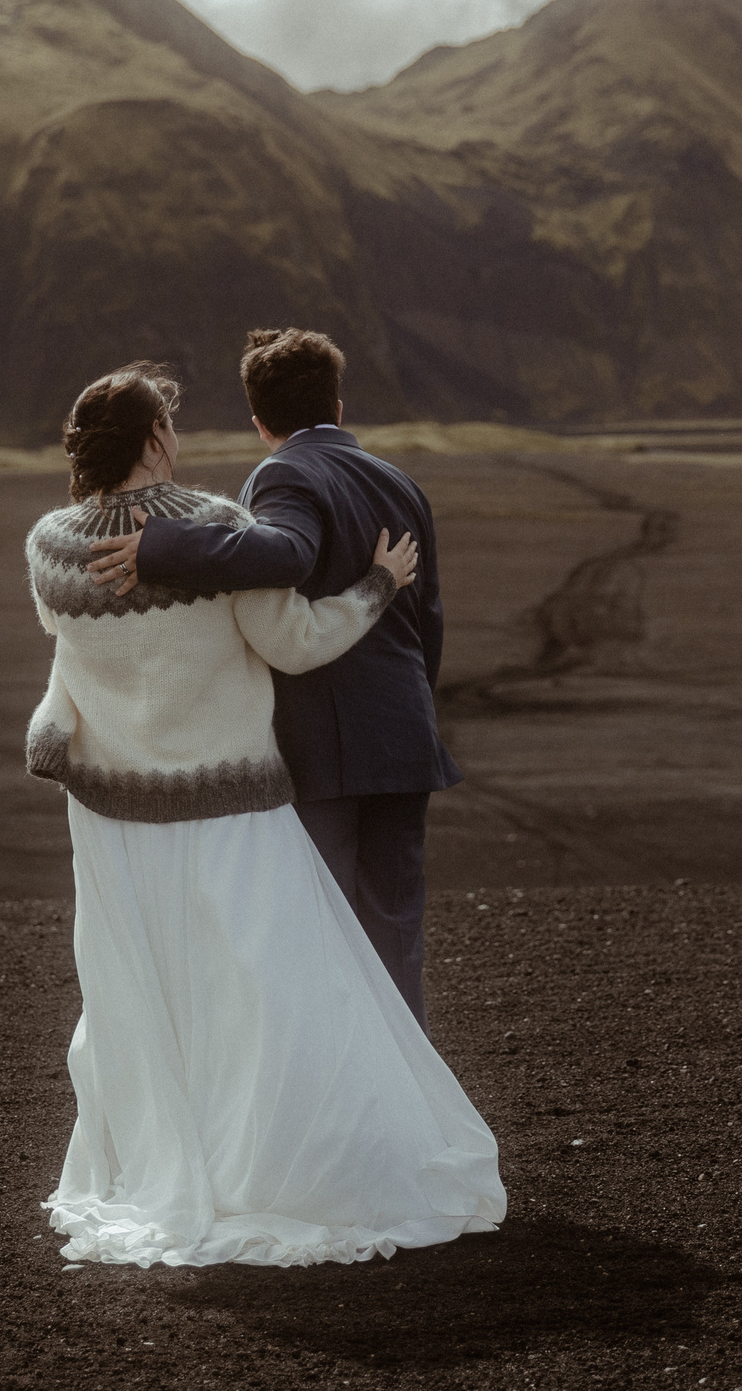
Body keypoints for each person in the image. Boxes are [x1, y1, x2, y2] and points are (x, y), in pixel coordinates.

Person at [26, 361, 504, 1268]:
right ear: (158, 440)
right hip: (228, 807)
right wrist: (375, 583)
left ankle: (165, 1165)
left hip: (112, 821)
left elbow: (80, 662)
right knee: (263, 995)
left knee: (147, 995)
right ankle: (276, 1169)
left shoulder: (50, 546)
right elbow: (294, 641)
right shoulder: (217, 528)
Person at [84, 327, 457, 1028]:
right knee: (395, 935)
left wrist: (162, 544)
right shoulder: (402, 483)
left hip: (323, 748)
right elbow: (427, 621)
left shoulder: (283, 474)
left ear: (259, 421)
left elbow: (283, 554)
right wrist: (413, 715)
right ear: (339, 407)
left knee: (317, 936)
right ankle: (413, 1114)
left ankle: (342, 1113)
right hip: (405, 740)